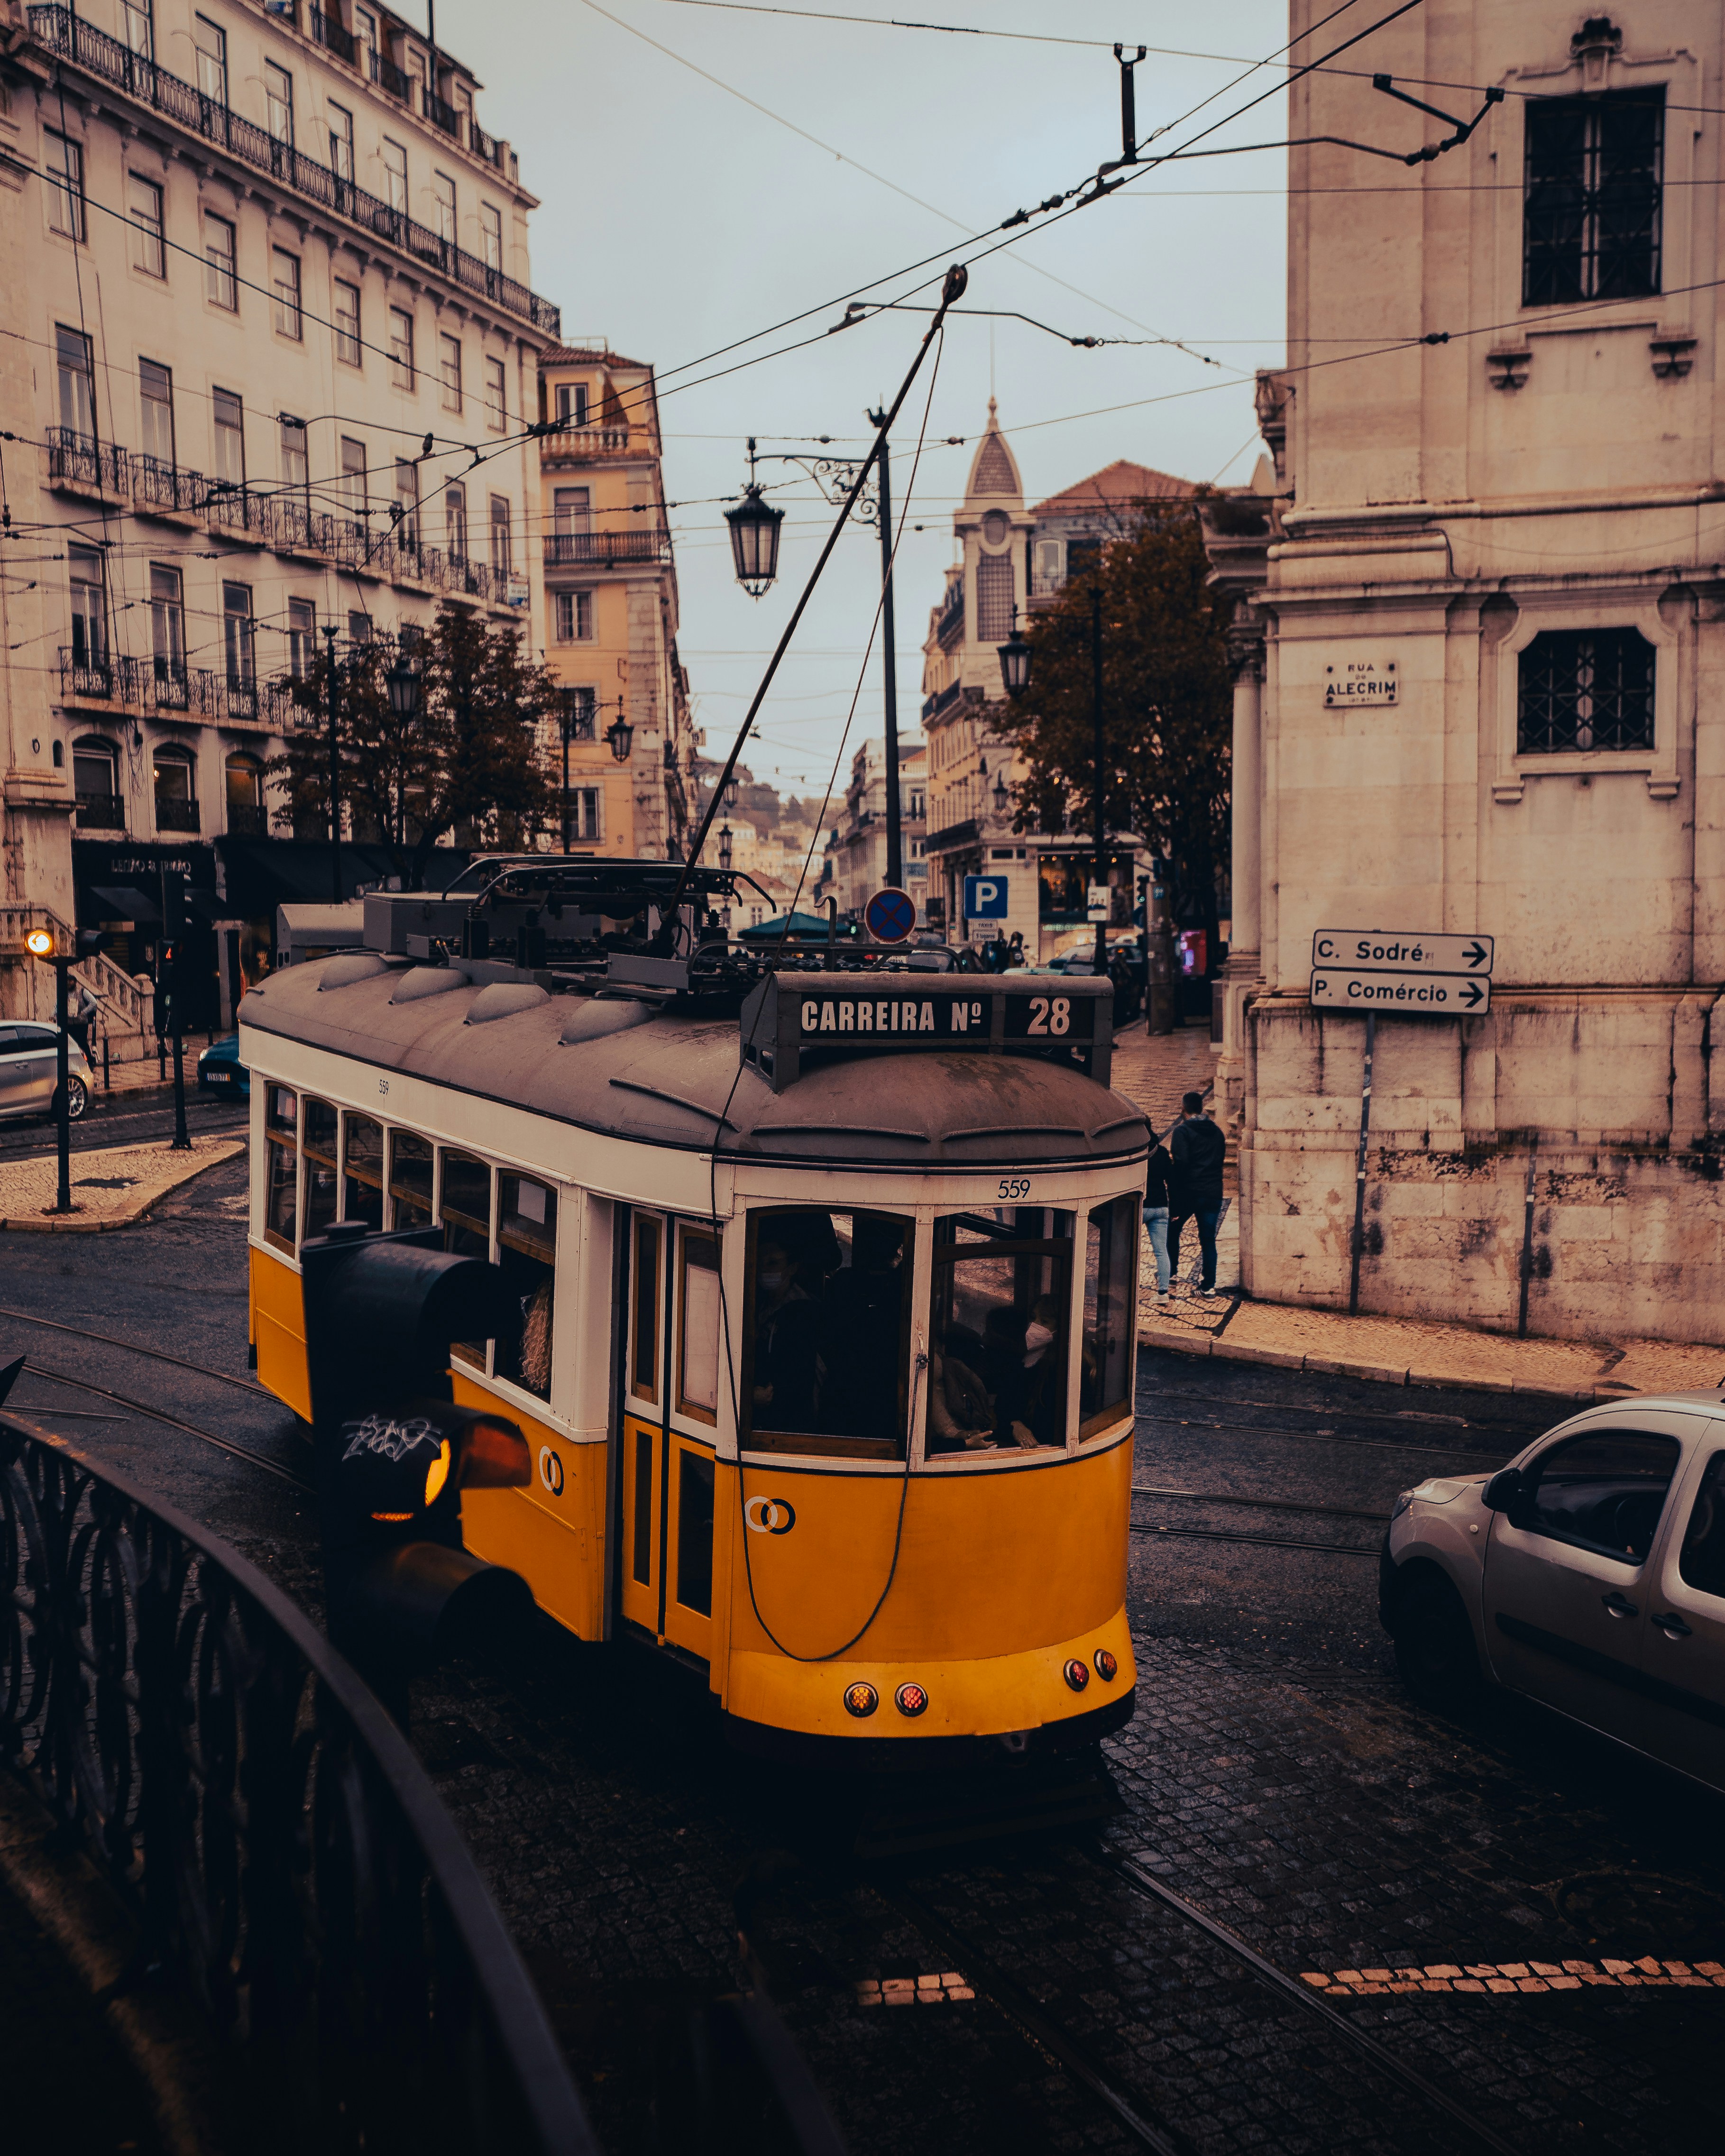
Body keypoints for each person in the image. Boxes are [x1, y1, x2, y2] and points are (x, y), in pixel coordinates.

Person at [1169, 1091, 1226, 1297]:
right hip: (1213, 1193)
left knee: (1173, 1229)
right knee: (1208, 1240)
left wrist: (1175, 1199)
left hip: (1189, 1193)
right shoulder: (1218, 1133)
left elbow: (1180, 1166)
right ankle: (1208, 1287)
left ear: (1184, 1108)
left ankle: (1171, 1273)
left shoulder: (1182, 1132)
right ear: (1202, 1108)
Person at [1142, 1122, 1173, 1300]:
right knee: (1161, 1251)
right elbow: (1171, 1180)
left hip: (1140, 1205)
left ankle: (1124, 1287)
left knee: (1125, 1247)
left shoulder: (1137, 1151)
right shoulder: (1160, 1151)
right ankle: (1163, 1293)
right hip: (1161, 1206)